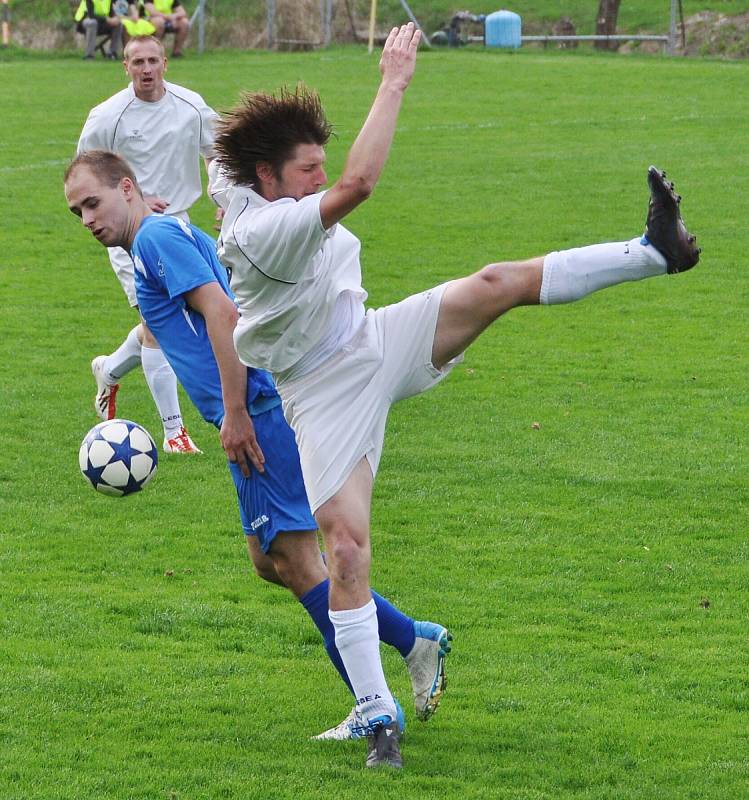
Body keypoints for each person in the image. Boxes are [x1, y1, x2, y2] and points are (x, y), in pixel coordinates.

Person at [209, 22, 700, 769]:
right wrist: (393, 80)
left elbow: (217, 146)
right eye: (306, 169)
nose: (319, 177)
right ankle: (378, 717)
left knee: (496, 281)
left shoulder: (247, 182)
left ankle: (654, 252)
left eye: (318, 163)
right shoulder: (263, 232)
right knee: (345, 549)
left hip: (375, 340)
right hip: (322, 391)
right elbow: (360, 185)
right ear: (267, 181)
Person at [63, 149, 452, 752]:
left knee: (298, 563)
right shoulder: (157, 237)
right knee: (269, 561)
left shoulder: (157, 238)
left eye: (93, 202)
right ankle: (408, 637)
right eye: (76, 212)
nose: (86, 218)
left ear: (128, 188)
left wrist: (238, 411)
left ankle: (376, 703)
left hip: (258, 410)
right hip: (246, 409)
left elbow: (222, 313)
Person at [77, 35, 214, 454]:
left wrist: (223, 194)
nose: (147, 69)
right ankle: (174, 433)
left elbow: (218, 152)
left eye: (153, 60)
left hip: (179, 227)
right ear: (126, 67)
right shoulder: (107, 116)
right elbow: (86, 173)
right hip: (130, 233)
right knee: (160, 325)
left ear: (166, 63)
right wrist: (132, 196)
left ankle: (111, 369)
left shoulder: (191, 106)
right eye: (138, 62)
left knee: (177, 320)